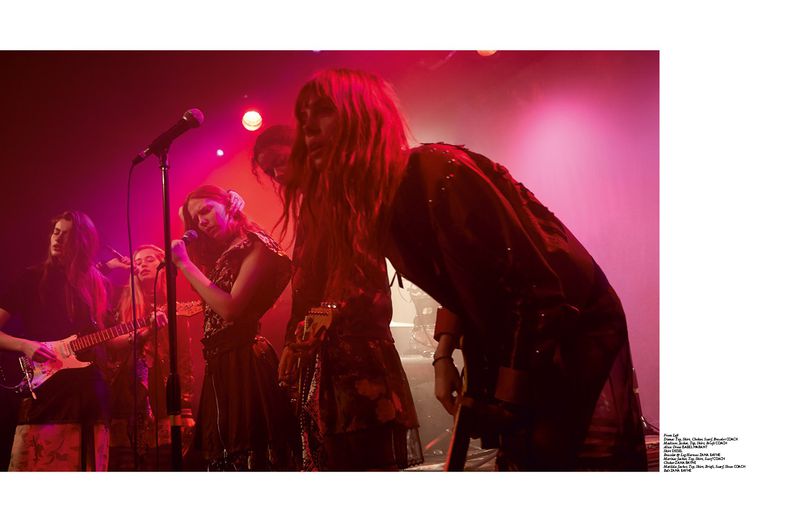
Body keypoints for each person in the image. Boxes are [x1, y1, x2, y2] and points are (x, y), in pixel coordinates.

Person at [283, 68, 647, 471]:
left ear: (363, 117)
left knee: (547, 455)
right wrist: (443, 354)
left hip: (569, 320)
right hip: (519, 323)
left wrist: (509, 394)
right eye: (303, 117)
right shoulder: (378, 202)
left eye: (324, 111)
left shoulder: (436, 172)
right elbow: (463, 280)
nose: (308, 128)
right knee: (524, 453)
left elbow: (536, 289)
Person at [274, 78, 424, 471]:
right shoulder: (317, 205)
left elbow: (355, 289)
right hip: (326, 360)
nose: (278, 173)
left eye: (281, 161)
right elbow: (308, 286)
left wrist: (303, 336)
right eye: (268, 169)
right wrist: (298, 338)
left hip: (357, 358)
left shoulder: (353, 200)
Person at [171, 184, 296, 470]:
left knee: (248, 454)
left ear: (230, 207)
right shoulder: (226, 251)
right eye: (196, 219)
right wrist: (201, 207)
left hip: (245, 362)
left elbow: (230, 309)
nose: (201, 222)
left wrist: (185, 265)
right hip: (221, 363)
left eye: (207, 211)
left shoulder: (256, 244)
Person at [0, 210, 111, 471]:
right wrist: (25, 345)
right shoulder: (31, 279)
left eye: (66, 235)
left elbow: (105, 339)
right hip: (44, 394)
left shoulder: (96, 283)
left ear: (82, 243)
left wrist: (139, 332)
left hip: (87, 395)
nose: (57, 239)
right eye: (55, 232)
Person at [104, 244, 196, 471]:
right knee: (124, 464)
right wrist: (109, 266)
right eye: (138, 262)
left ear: (163, 266)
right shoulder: (118, 301)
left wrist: (185, 404)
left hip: (161, 391)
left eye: (149, 260)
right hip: (125, 391)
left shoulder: (177, 305)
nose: (142, 265)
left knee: (163, 462)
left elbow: (184, 357)